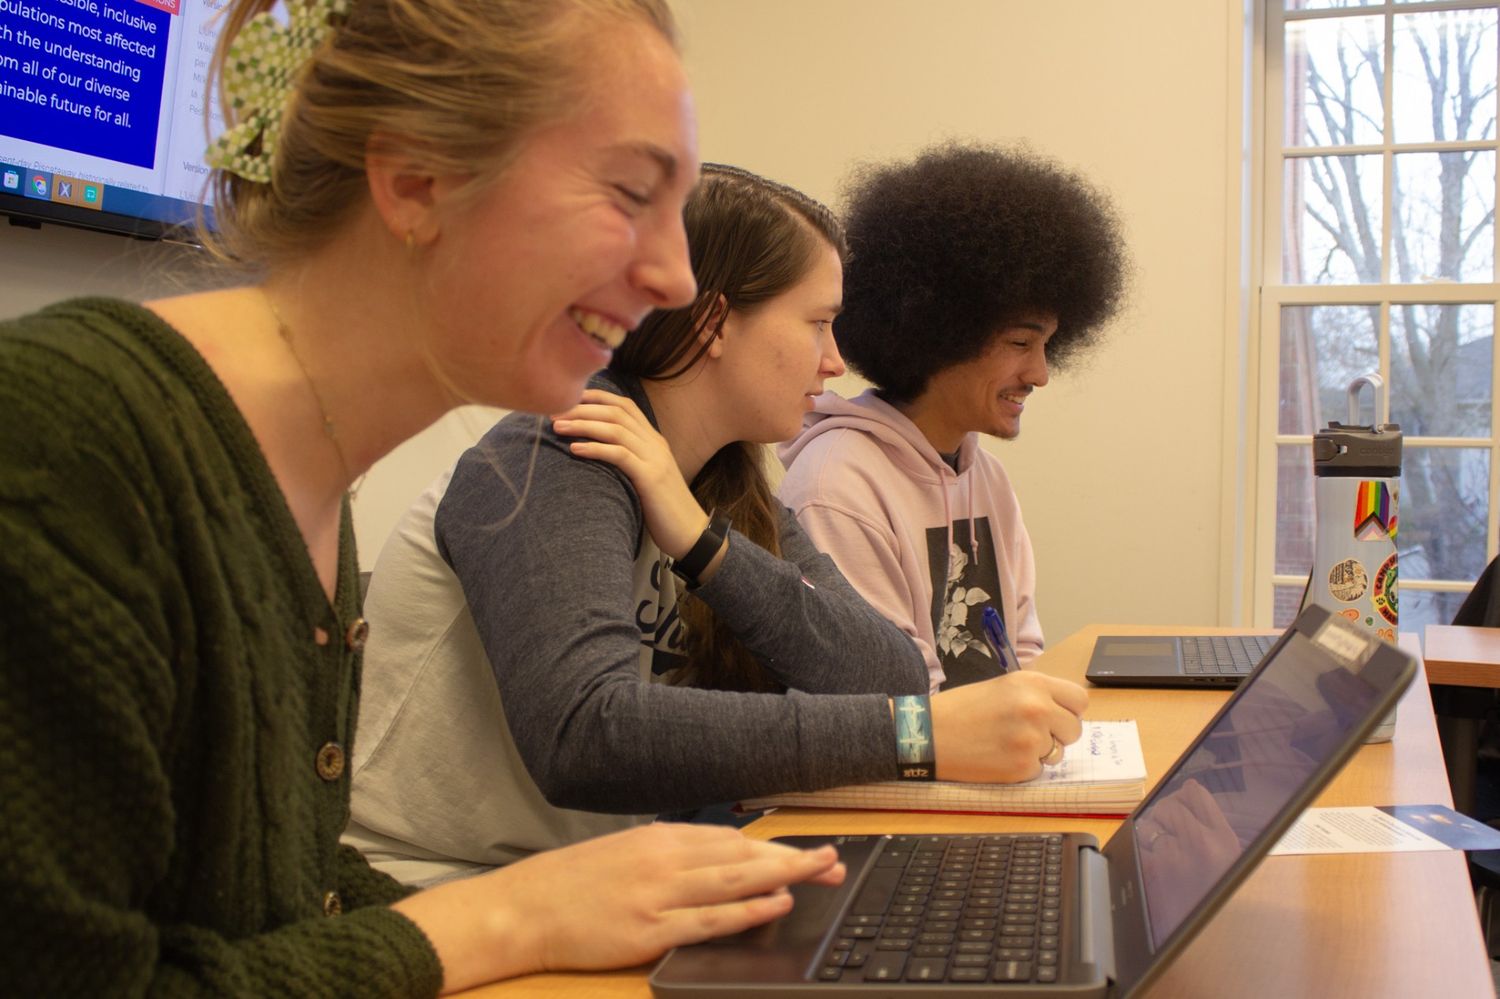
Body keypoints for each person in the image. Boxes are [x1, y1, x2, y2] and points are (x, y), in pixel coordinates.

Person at [0, 2, 852, 994]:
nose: (671, 279)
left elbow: (273, 903)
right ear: (415, 181)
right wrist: (510, 914)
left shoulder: (305, 483)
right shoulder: (71, 449)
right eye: (630, 193)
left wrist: (598, 900)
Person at [346, 163, 1091, 887]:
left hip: (587, 882)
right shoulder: (554, 450)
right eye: (819, 324)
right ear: (713, 321)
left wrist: (706, 545)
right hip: (437, 886)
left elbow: (887, 674)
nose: (836, 360)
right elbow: (583, 734)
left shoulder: (726, 478)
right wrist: (918, 738)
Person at [779, 143, 1129, 692]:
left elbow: (1022, 651)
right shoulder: (836, 485)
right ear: (939, 333)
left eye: (1047, 347)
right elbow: (889, 694)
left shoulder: (985, 476)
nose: (1040, 374)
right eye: (1020, 342)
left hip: (996, 758)